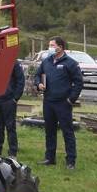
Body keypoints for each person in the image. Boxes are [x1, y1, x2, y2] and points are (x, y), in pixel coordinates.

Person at [35, 37, 83, 169]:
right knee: (49, 131)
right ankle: (50, 158)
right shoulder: (46, 61)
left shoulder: (71, 63)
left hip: (63, 103)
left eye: (52, 45)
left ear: (60, 47)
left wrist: (71, 99)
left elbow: (79, 82)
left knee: (67, 132)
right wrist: (38, 84)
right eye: (49, 45)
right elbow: (37, 75)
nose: (49, 47)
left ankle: (70, 161)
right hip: (48, 102)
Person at [0, 60, 26, 158]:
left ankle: (13, 153)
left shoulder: (13, 61)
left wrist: (15, 98)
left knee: (10, 127)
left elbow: (20, 80)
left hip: (8, 100)